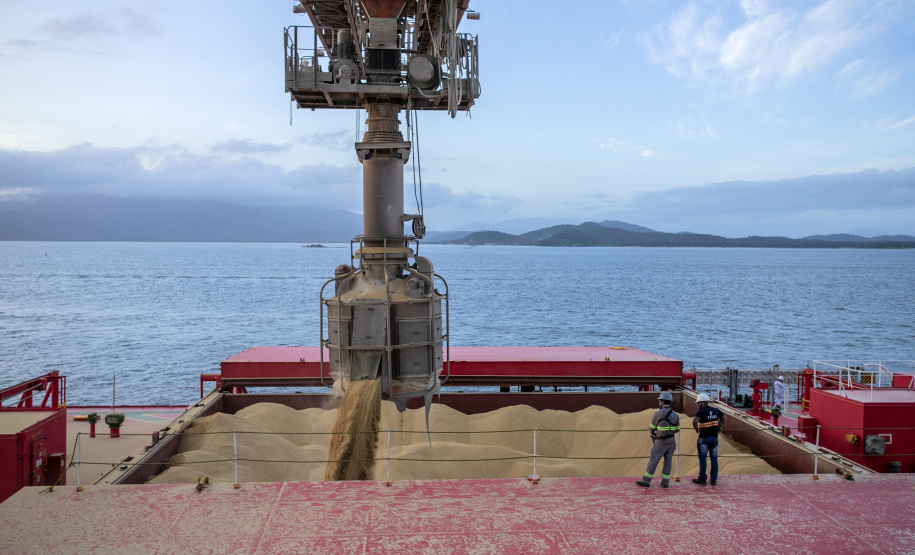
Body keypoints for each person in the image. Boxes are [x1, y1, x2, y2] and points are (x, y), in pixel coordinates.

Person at [635, 391, 680, 489]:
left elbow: (652, 428)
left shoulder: (658, 414)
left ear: (663, 402)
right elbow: (677, 429)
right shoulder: (675, 414)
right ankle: (665, 482)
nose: (659, 402)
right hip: (672, 442)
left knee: (653, 460)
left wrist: (653, 434)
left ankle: (646, 481)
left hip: (661, 442)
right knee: (668, 462)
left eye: (659, 401)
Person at [692, 393, 725, 485]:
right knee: (714, 459)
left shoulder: (701, 411)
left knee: (703, 459)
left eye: (698, 403)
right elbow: (724, 418)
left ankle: (702, 479)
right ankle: (713, 479)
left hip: (703, 438)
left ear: (702, 403)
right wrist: (719, 425)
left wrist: (697, 429)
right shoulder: (715, 410)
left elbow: (694, 421)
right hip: (714, 438)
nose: (697, 405)